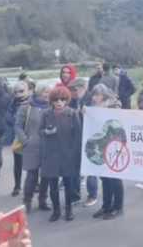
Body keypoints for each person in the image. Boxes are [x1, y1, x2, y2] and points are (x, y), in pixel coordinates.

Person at [40, 86, 81, 222]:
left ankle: (69, 209)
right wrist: (46, 132)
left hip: (67, 154)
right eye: (56, 100)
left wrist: (74, 153)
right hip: (51, 155)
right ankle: (56, 210)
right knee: (53, 186)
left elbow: (78, 136)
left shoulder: (72, 113)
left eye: (62, 99)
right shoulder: (45, 114)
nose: (59, 102)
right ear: (51, 101)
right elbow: (39, 131)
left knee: (69, 184)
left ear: (66, 100)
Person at [91, 84, 125, 221]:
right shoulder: (93, 108)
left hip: (114, 144)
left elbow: (116, 122)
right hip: (101, 145)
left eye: (97, 94)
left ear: (104, 95)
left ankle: (118, 207)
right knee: (104, 177)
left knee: (115, 178)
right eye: (93, 94)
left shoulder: (114, 106)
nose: (94, 97)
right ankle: (106, 205)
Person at [15, 85, 50, 214]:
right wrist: (25, 140)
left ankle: (43, 200)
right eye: (45, 91)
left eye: (49, 92)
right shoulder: (26, 107)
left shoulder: (52, 106)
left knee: (46, 175)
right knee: (32, 175)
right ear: (40, 92)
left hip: (47, 146)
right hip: (31, 146)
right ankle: (27, 200)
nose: (47, 94)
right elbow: (18, 126)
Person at [67, 78, 98, 208]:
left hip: (91, 138)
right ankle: (75, 195)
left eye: (74, 89)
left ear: (83, 88)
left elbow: (100, 116)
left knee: (90, 169)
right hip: (76, 138)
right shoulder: (73, 100)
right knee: (75, 167)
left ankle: (92, 195)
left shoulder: (92, 99)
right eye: (71, 90)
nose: (73, 92)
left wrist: (88, 113)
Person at [5, 81, 31, 197]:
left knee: (33, 163)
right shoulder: (12, 103)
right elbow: (8, 118)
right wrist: (17, 122)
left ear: (28, 91)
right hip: (18, 137)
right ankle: (17, 185)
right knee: (18, 163)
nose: (18, 94)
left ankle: (34, 184)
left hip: (32, 136)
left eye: (21, 91)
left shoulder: (33, 102)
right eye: (16, 92)